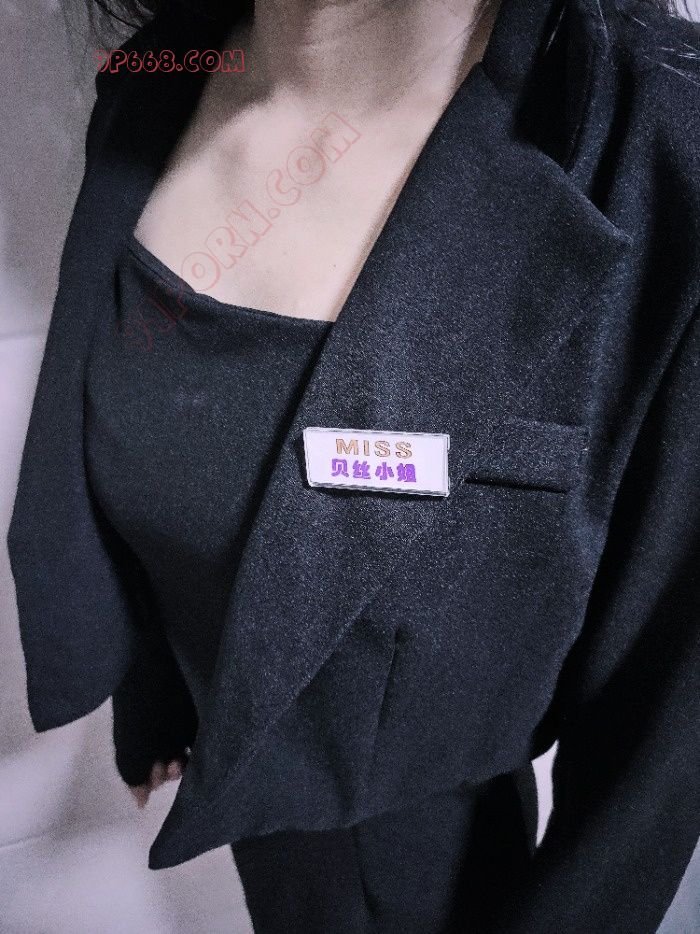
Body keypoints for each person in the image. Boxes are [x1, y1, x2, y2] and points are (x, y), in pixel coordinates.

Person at [6, 0, 699, 930]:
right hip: (242, 807)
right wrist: (155, 689)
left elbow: (658, 750)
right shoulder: (158, 73)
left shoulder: (669, 153)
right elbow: (165, 463)